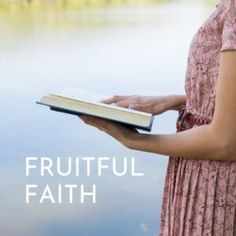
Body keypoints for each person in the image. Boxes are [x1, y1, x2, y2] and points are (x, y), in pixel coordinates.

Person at [79, 0, 236, 235]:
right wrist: (172, 101)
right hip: (204, 182)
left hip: (217, 190)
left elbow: (225, 141)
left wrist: (133, 140)